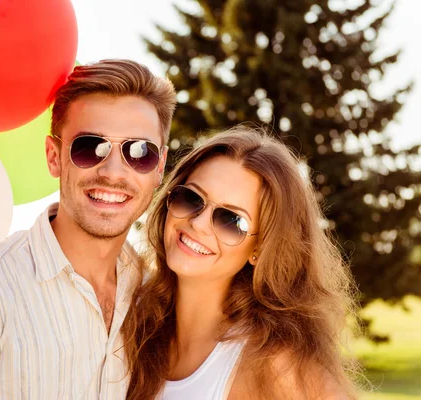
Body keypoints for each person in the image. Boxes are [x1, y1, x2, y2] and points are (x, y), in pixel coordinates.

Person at [0, 59, 176, 399]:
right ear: (54, 156)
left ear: (158, 167)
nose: (114, 172)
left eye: (139, 152)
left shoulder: (152, 293)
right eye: (90, 147)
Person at [122, 126, 362, 399]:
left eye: (230, 221)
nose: (198, 224)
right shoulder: (132, 323)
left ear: (260, 248)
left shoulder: (273, 364)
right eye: (191, 198)